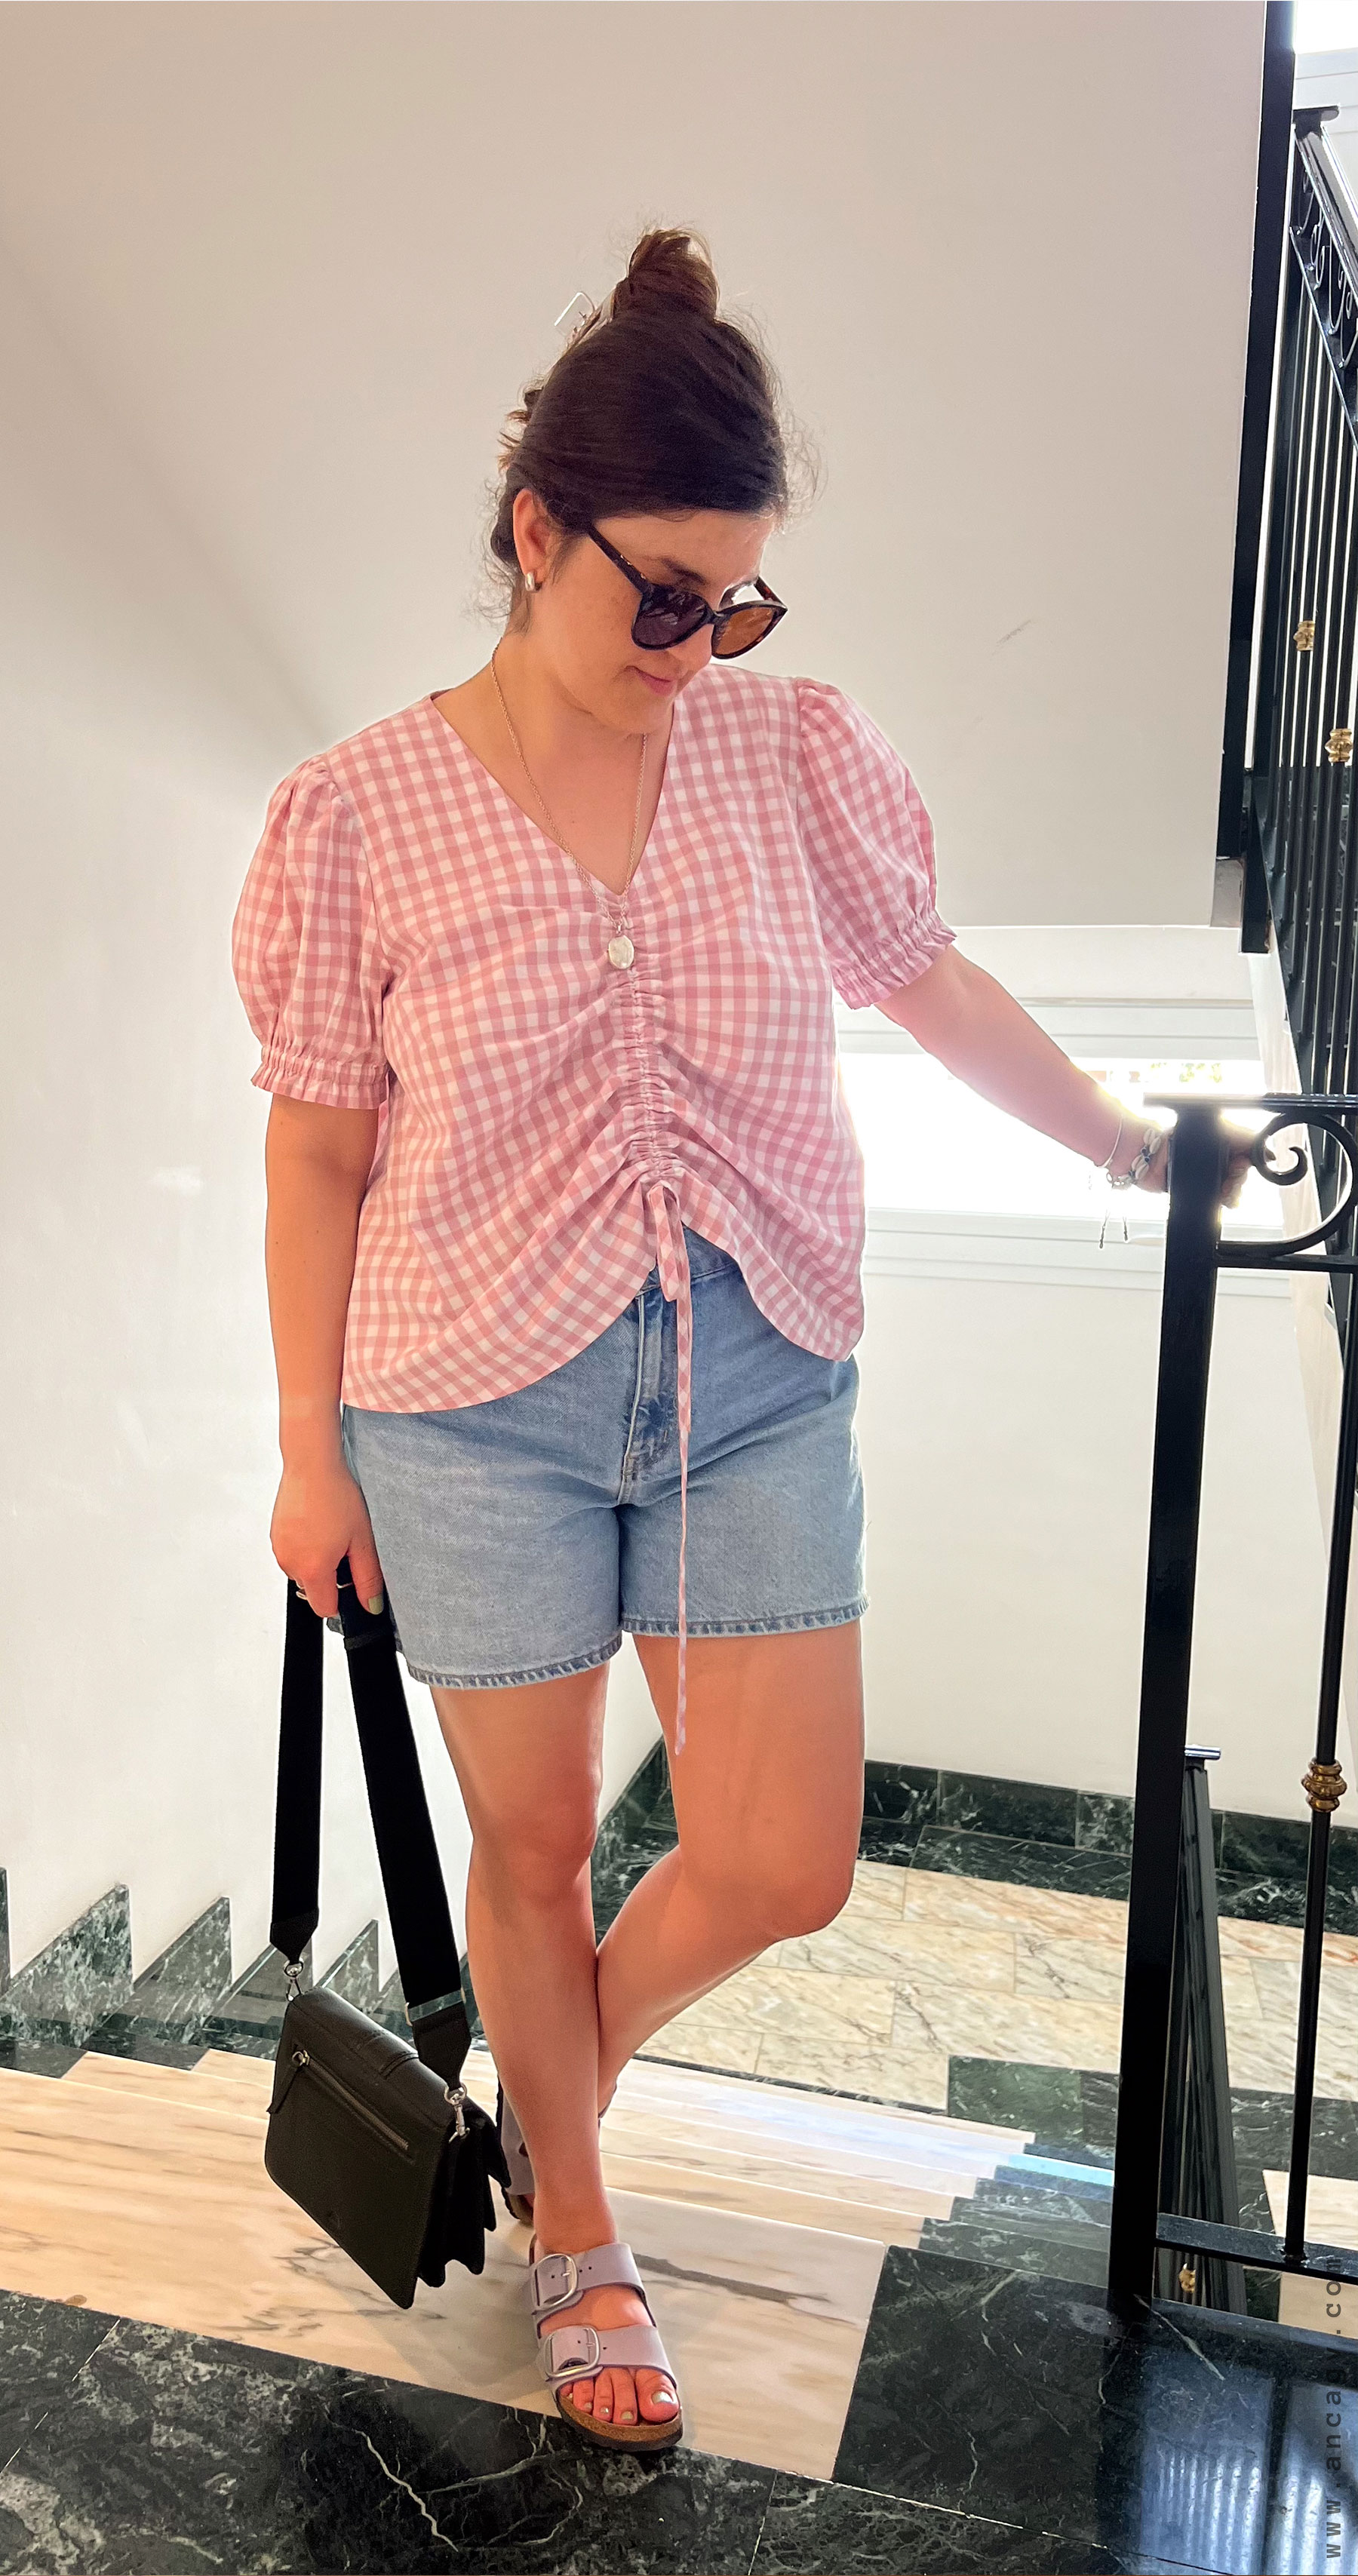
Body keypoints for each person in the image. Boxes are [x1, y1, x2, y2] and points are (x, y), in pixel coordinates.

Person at [232, 227, 1241, 2455]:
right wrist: (309, 1450)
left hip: (755, 1364)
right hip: (463, 1397)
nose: (699, 647)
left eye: (737, 601)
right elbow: (316, 1153)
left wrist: (1122, 1140)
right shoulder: (357, 813)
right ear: (536, 534)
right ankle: (582, 2236)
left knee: (785, 1855)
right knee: (529, 1848)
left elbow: (928, 975)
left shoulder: (792, 754)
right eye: (665, 597)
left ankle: (550, 2077)